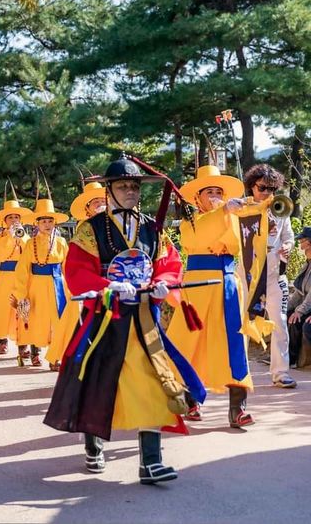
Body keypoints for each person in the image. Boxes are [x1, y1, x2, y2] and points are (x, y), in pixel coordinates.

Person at [44, 157, 204, 484]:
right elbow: (76, 270)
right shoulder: (90, 229)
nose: (130, 191)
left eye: (134, 186)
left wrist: (163, 284)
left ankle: (151, 462)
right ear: (109, 190)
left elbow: (168, 263)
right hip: (105, 318)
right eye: (123, 185)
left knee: (153, 384)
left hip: (144, 319)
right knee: (96, 382)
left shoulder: (151, 227)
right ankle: (93, 444)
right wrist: (108, 285)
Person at [166, 165, 255, 427]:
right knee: (189, 342)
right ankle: (190, 400)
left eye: (219, 191)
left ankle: (237, 410)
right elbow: (199, 235)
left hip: (227, 284)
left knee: (233, 343)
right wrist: (223, 211)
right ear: (197, 199)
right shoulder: (189, 222)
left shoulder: (234, 218)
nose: (215, 195)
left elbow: (243, 245)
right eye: (209, 191)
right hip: (197, 287)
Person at [244, 164, 297, 388]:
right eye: (262, 188)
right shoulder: (242, 208)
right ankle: (239, 373)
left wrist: (287, 246)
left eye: (272, 188)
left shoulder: (280, 209)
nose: (267, 193)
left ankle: (280, 373)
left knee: (280, 323)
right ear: (251, 187)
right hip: (249, 276)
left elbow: (290, 237)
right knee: (243, 324)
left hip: (275, 275)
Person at [46, 182, 106, 370]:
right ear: (87, 208)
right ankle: (60, 355)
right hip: (86, 281)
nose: (100, 205)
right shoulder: (84, 227)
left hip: (111, 281)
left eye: (102, 201)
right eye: (95, 202)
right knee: (74, 320)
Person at [11, 195, 70, 367]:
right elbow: (22, 269)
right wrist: (21, 293)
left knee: (57, 320)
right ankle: (35, 352)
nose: (46, 224)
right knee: (36, 318)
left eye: (50, 220)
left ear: (54, 223)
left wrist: (72, 287)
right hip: (36, 284)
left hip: (57, 284)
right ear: (36, 223)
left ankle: (55, 356)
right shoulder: (31, 243)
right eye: (43, 221)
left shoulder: (61, 242)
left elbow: (67, 265)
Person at [0, 194, 31, 355]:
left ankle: (23, 344)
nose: (14, 220)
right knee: (3, 309)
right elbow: (0, 255)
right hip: (5, 275)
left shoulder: (27, 236)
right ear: (4, 221)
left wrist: (20, 236)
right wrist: (10, 236)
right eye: (11, 217)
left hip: (22, 276)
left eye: (17, 217)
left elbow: (29, 253)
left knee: (22, 309)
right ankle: (2, 339)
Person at [288, 227, 311, 368]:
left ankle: (295, 360)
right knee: (286, 316)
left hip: (309, 307)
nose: (299, 244)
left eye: (301, 241)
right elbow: (299, 291)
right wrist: (285, 307)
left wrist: (300, 311)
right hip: (308, 306)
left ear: (309, 243)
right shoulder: (307, 264)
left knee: (301, 322)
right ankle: (287, 359)